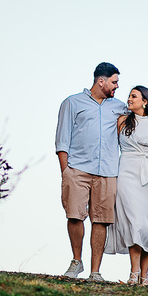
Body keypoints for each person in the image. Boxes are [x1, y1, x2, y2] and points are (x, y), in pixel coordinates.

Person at [55, 62, 129, 282]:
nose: (117, 86)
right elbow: (62, 139)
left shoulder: (119, 106)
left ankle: (95, 272)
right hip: (77, 169)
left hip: (107, 171)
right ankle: (77, 261)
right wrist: (65, 171)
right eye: (114, 82)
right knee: (74, 215)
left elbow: (140, 114)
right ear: (101, 81)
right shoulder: (72, 102)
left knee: (101, 220)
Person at [105, 85, 148, 285]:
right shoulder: (122, 121)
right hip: (127, 172)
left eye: (134, 96)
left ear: (145, 101)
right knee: (134, 220)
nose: (129, 99)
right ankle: (134, 272)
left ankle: (144, 275)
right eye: (129, 96)